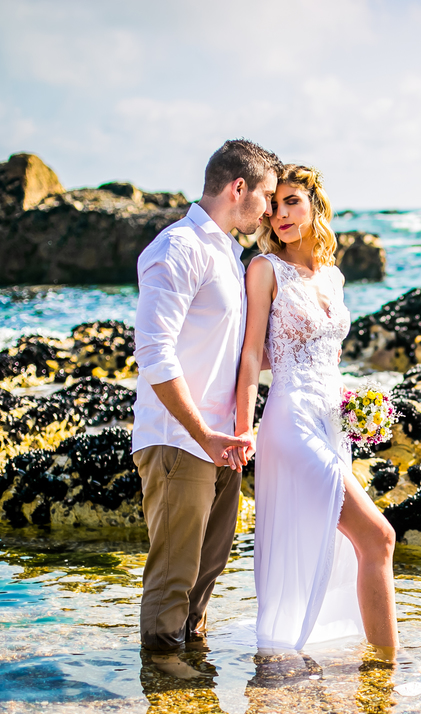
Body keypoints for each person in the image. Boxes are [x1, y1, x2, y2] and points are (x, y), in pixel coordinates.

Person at [234, 164, 398, 659]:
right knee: (379, 537)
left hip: (331, 422)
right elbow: (250, 355)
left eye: (293, 203)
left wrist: (357, 406)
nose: (281, 214)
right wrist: (244, 429)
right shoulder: (264, 270)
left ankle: (349, 651)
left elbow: (329, 357)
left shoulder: (333, 275)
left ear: (315, 207)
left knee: (350, 545)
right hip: (291, 423)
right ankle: (388, 669)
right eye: (275, 204)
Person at [132, 139, 280, 676]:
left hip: (222, 441)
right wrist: (202, 434)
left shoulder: (228, 254)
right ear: (238, 188)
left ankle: (192, 673)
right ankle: (162, 669)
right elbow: (152, 350)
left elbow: (232, 355)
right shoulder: (178, 248)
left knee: (207, 570)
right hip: (178, 439)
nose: (268, 210)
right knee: (174, 572)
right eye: (266, 196)